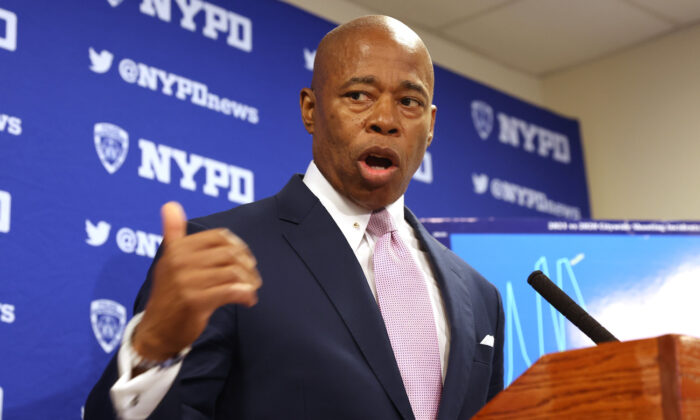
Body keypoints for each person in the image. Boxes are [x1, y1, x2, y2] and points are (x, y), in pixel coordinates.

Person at [85, 15, 504, 420]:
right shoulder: (221, 250)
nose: (385, 120)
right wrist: (152, 349)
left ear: (429, 126)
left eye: (409, 102)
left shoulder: (481, 297)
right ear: (310, 109)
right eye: (359, 95)